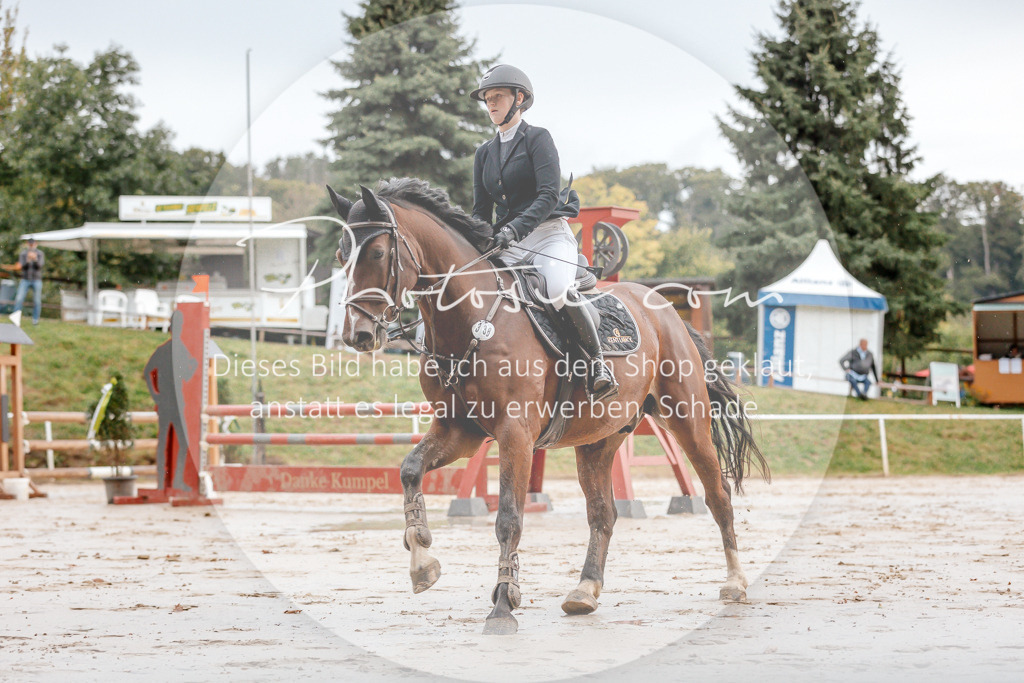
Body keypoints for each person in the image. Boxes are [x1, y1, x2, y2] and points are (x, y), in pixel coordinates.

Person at [469, 64, 617, 400]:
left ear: (518, 98)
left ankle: (596, 363)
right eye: (487, 100)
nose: (491, 105)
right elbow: (480, 210)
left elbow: (548, 194)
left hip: (548, 234)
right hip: (508, 242)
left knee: (557, 289)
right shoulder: (484, 154)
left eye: (497, 97)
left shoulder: (538, 138)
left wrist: (514, 229)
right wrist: (474, 242)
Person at [11, 237, 45, 326]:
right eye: (30, 244)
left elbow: (40, 266)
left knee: (37, 301)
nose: (31, 246)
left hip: (36, 280)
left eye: (32, 244)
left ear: (35, 244)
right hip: (25, 279)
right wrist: (28, 260)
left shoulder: (40, 253)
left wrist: (35, 259)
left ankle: (35, 320)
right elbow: (22, 267)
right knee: (19, 299)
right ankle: (15, 319)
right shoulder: (23, 254)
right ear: (27, 244)